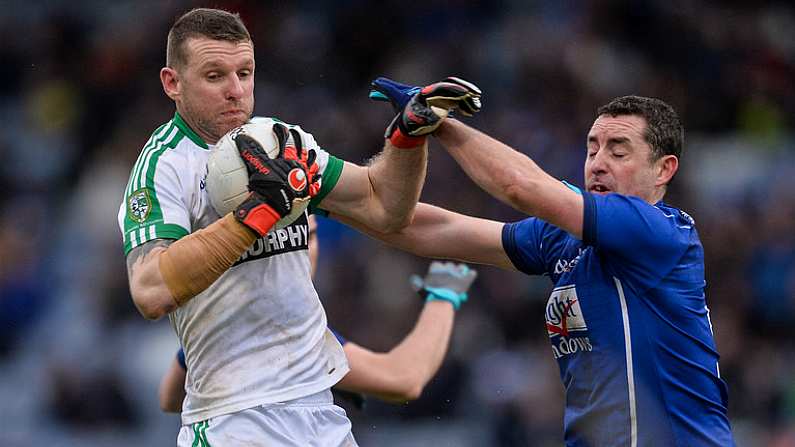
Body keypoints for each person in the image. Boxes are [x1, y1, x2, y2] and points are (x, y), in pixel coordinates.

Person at [117, 9, 481, 447]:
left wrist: (407, 136)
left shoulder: (281, 143)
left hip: (320, 412)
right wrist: (254, 218)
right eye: (215, 76)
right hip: (236, 420)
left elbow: (384, 208)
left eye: (245, 73)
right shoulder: (164, 165)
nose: (236, 91)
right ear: (172, 82)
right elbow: (149, 290)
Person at [358, 78, 736, 446]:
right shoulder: (559, 239)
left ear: (664, 169)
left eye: (618, 152)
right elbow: (430, 230)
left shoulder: (658, 232)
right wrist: (324, 188)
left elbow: (520, 187)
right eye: (592, 150)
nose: (598, 164)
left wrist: (437, 122)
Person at [159, 215, 478, 412]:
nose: (306, 250)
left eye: (309, 237)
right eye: (296, 239)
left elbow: (170, 399)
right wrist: (443, 296)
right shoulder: (286, 328)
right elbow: (403, 379)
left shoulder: (229, 317)